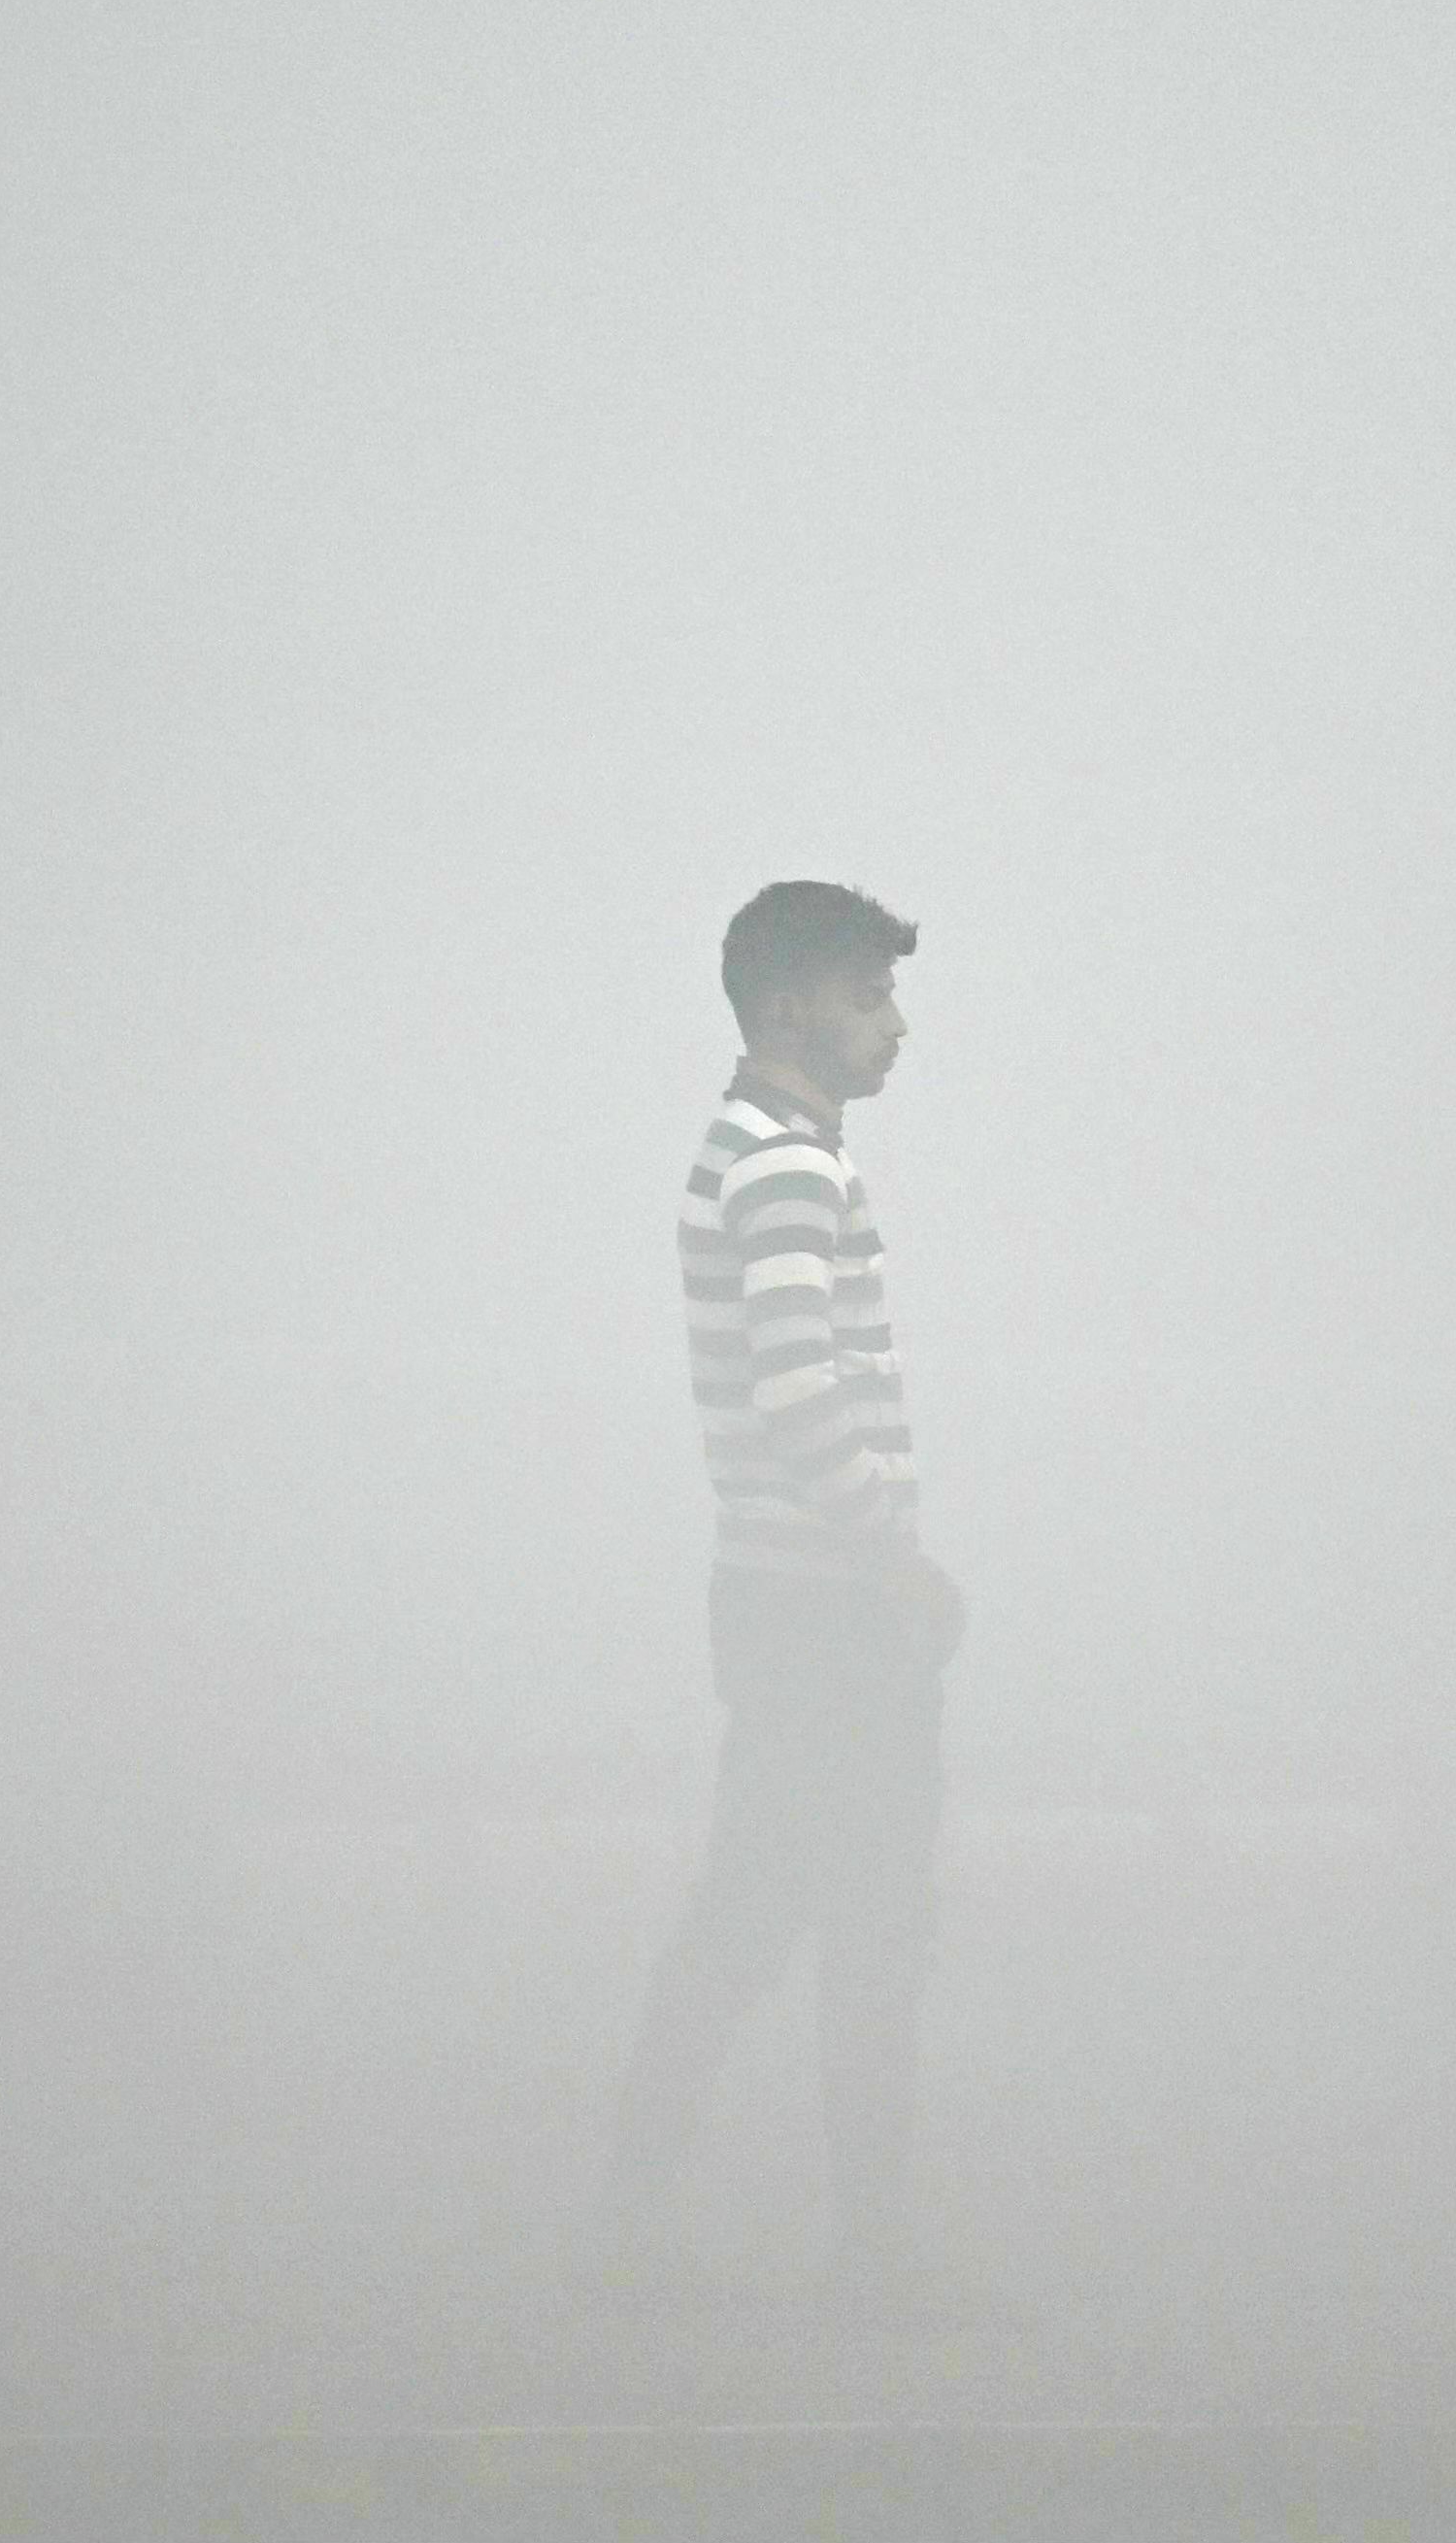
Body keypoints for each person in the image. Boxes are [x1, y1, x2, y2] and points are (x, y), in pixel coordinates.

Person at [595, 879, 966, 2304]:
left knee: (773, 1911)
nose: (894, 1028)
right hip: (829, 1613)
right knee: (845, 1922)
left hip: (785, 1601)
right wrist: (901, 1559)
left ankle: (649, 2225)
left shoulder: (754, 1149)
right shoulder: (787, 1167)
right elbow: (806, 1400)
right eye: (870, 997)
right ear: (791, 1003)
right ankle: (846, 2250)